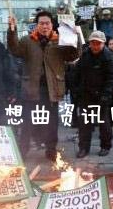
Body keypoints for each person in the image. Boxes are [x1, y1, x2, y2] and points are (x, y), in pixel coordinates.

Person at [7, 11, 81, 162]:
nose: (45, 26)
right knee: (27, 120)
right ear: (37, 25)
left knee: (52, 121)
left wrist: (76, 36)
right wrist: (12, 30)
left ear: (52, 25)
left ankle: (51, 150)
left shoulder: (60, 40)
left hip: (52, 88)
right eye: (41, 23)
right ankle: (23, 150)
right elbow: (14, 50)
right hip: (31, 88)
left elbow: (73, 54)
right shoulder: (27, 41)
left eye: (47, 23)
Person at [74, 31, 113, 158]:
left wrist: (106, 94)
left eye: (98, 43)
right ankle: (83, 148)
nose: (95, 46)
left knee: (104, 123)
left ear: (103, 44)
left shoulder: (108, 57)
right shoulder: (85, 55)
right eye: (93, 43)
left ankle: (105, 146)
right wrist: (77, 90)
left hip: (102, 95)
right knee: (84, 123)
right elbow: (77, 73)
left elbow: (111, 78)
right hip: (86, 94)